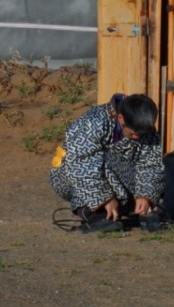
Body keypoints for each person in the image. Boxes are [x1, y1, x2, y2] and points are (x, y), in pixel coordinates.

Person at [49, 93, 164, 224]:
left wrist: (145, 196)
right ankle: (92, 212)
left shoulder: (146, 129)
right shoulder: (93, 122)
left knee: (158, 178)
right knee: (98, 160)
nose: (137, 137)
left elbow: (151, 164)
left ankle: (123, 207)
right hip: (70, 175)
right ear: (120, 118)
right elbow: (80, 162)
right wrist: (104, 198)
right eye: (133, 134)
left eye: (140, 134)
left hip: (119, 176)